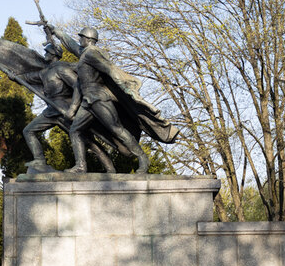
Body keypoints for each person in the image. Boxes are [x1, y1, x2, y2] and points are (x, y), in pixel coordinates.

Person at [50, 25, 179, 173]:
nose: (79, 40)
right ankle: (80, 166)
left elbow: (109, 69)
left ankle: (143, 158)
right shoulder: (85, 53)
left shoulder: (92, 54)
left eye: (81, 38)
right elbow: (71, 45)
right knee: (75, 130)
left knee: (117, 129)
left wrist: (125, 88)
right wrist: (56, 32)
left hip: (99, 99)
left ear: (88, 39)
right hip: (87, 102)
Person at [22, 42, 116, 174]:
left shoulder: (61, 69)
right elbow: (28, 77)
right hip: (51, 111)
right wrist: (13, 75)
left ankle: (109, 167)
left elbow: (77, 85)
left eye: (47, 52)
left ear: (54, 55)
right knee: (28, 131)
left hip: (64, 110)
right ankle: (39, 160)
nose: (45, 55)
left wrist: (73, 108)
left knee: (86, 140)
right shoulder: (44, 72)